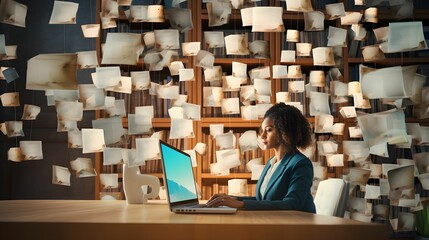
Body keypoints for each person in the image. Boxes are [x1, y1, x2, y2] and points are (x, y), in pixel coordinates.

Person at [206, 103, 316, 213]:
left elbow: (293, 203)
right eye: (262, 130)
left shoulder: (300, 163)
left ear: (285, 131)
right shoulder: (271, 163)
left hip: (299, 225)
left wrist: (242, 204)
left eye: (268, 130)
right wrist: (230, 199)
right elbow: (263, 200)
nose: (262, 135)